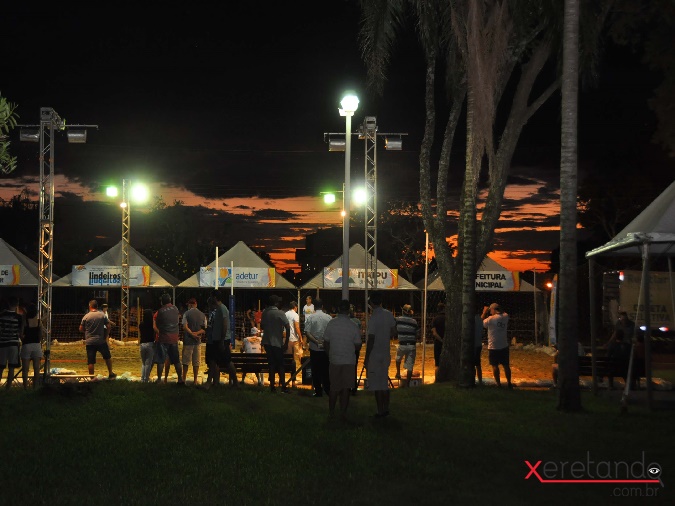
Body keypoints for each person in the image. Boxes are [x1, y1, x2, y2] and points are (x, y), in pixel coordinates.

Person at [323, 299, 362, 420]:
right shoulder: (353, 325)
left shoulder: (331, 323)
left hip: (335, 359)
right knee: (346, 388)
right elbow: (358, 345)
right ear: (348, 310)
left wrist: (329, 354)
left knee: (334, 387)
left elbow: (326, 342)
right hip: (349, 360)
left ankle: (331, 412)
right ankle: (343, 413)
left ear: (338, 309)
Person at [364, 291, 397, 417]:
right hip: (385, 352)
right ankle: (386, 408)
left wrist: (367, 357)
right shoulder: (388, 314)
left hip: (375, 354)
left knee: (377, 384)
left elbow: (371, 339)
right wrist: (385, 335)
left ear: (372, 303)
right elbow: (394, 331)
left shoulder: (373, 318)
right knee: (384, 382)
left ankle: (380, 410)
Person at [208, 290, 238, 388]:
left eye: (211, 296)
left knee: (227, 361)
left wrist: (221, 340)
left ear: (215, 297)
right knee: (214, 361)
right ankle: (212, 383)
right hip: (218, 339)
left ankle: (235, 382)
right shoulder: (219, 309)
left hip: (222, 340)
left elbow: (224, 325)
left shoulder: (222, 309)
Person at [79, 299, 116, 379]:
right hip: (100, 340)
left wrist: (87, 331)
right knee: (107, 357)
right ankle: (110, 373)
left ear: (90, 306)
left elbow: (81, 328)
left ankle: (91, 377)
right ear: (97, 306)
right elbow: (108, 326)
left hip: (90, 342)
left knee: (91, 361)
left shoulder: (86, 316)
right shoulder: (102, 315)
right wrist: (105, 335)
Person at [260, 294, 290, 393]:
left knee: (271, 364)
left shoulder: (265, 313)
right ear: (276, 303)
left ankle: (272, 386)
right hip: (277, 342)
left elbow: (262, 326)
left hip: (267, 342)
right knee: (280, 364)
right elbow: (288, 327)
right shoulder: (280, 313)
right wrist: (286, 342)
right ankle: (283, 386)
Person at [153, 293, 184, 386]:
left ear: (162, 301)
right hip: (174, 337)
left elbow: (157, 324)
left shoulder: (161, 311)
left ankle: (159, 380)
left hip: (164, 338)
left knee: (161, 360)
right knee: (176, 360)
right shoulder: (175, 309)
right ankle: (180, 379)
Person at [304, 297, 332, 397]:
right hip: (326, 348)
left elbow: (307, 332)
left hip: (314, 348)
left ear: (314, 307)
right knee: (326, 370)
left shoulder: (311, 318)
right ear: (322, 306)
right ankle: (327, 389)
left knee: (315, 370)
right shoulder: (328, 318)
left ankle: (318, 391)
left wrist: (316, 341)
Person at [482, 302, 511, 388]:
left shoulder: (491, 319)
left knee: (495, 366)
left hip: (493, 346)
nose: (490, 312)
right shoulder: (505, 316)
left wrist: (484, 312)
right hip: (504, 345)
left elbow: (481, 322)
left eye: (491, 310)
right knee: (506, 365)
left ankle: (498, 384)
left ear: (494, 310)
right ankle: (509, 383)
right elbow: (503, 312)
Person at [0, 295, 24, 388]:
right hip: (14, 343)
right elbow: (20, 331)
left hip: (2, 343)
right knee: (12, 367)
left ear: (8, 304)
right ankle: (8, 387)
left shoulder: (1, 315)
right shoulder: (19, 317)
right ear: (17, 305)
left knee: (1, 366)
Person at [394, 304, 420, 387]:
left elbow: (394, 329)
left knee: (398, 359)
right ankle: (408, 384)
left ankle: (398, 373)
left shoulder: (398, 319)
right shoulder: (414, 322)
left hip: (402, 343)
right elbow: (417, 333)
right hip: (411, 344)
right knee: (410, 365)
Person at [182, 298, 206, 384]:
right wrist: (197, 333)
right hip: (197, 341)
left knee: (185, 361)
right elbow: (204, 328)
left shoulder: (186, 313)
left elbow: (185, 326)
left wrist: (192, 334)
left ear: (190, 305)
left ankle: (183, 379)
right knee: (196, 362)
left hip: (188, 341)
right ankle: (195, 380)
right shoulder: (202, 315)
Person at [20, 303, 42, 389]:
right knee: (36, 368)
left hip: (26, 344)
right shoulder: (39, 321)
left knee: (25, 369)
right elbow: (41, 335)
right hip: (36, 345)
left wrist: (23, 339)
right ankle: (35, 386)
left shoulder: (25, 321)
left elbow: (21, 334)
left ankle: (25, 387)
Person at [285, 300, 303, 371]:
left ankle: (289, 371)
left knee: (289, 357)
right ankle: (299, 370)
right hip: (294, 338)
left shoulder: (285, 314)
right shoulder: (295, 315)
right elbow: (297, 327)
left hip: (287, 338)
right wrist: (300, 337)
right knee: (298, 356)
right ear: (295, 307)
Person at [138, 308, 155, 383]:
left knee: (143, 363)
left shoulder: (141, 324)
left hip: (142, 344)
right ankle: (146, 379)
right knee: (148, 363)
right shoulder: (152, 324)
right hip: (150, 343)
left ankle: (142, 379)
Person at [349, 304, 362, 395]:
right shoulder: (356, 321)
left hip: (351, 347)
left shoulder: (356, 321)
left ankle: (351, 386)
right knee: (352, 367)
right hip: (353, 347)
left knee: (351, 367)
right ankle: (352, 387)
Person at [431, 303, 445, 380]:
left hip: (438, 343)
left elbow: (434, 333)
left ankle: (437, 379)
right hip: (447, 343)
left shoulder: (435, 319)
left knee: (437, 364)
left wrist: (441, 340)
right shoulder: (448, 318)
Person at [474, 310, 484, 385]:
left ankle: (472, 379)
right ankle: (480, 380)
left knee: (471, 363)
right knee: (478, 364)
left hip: (472, 344)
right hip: (478, 344)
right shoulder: (480, 320)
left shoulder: (471, 320)